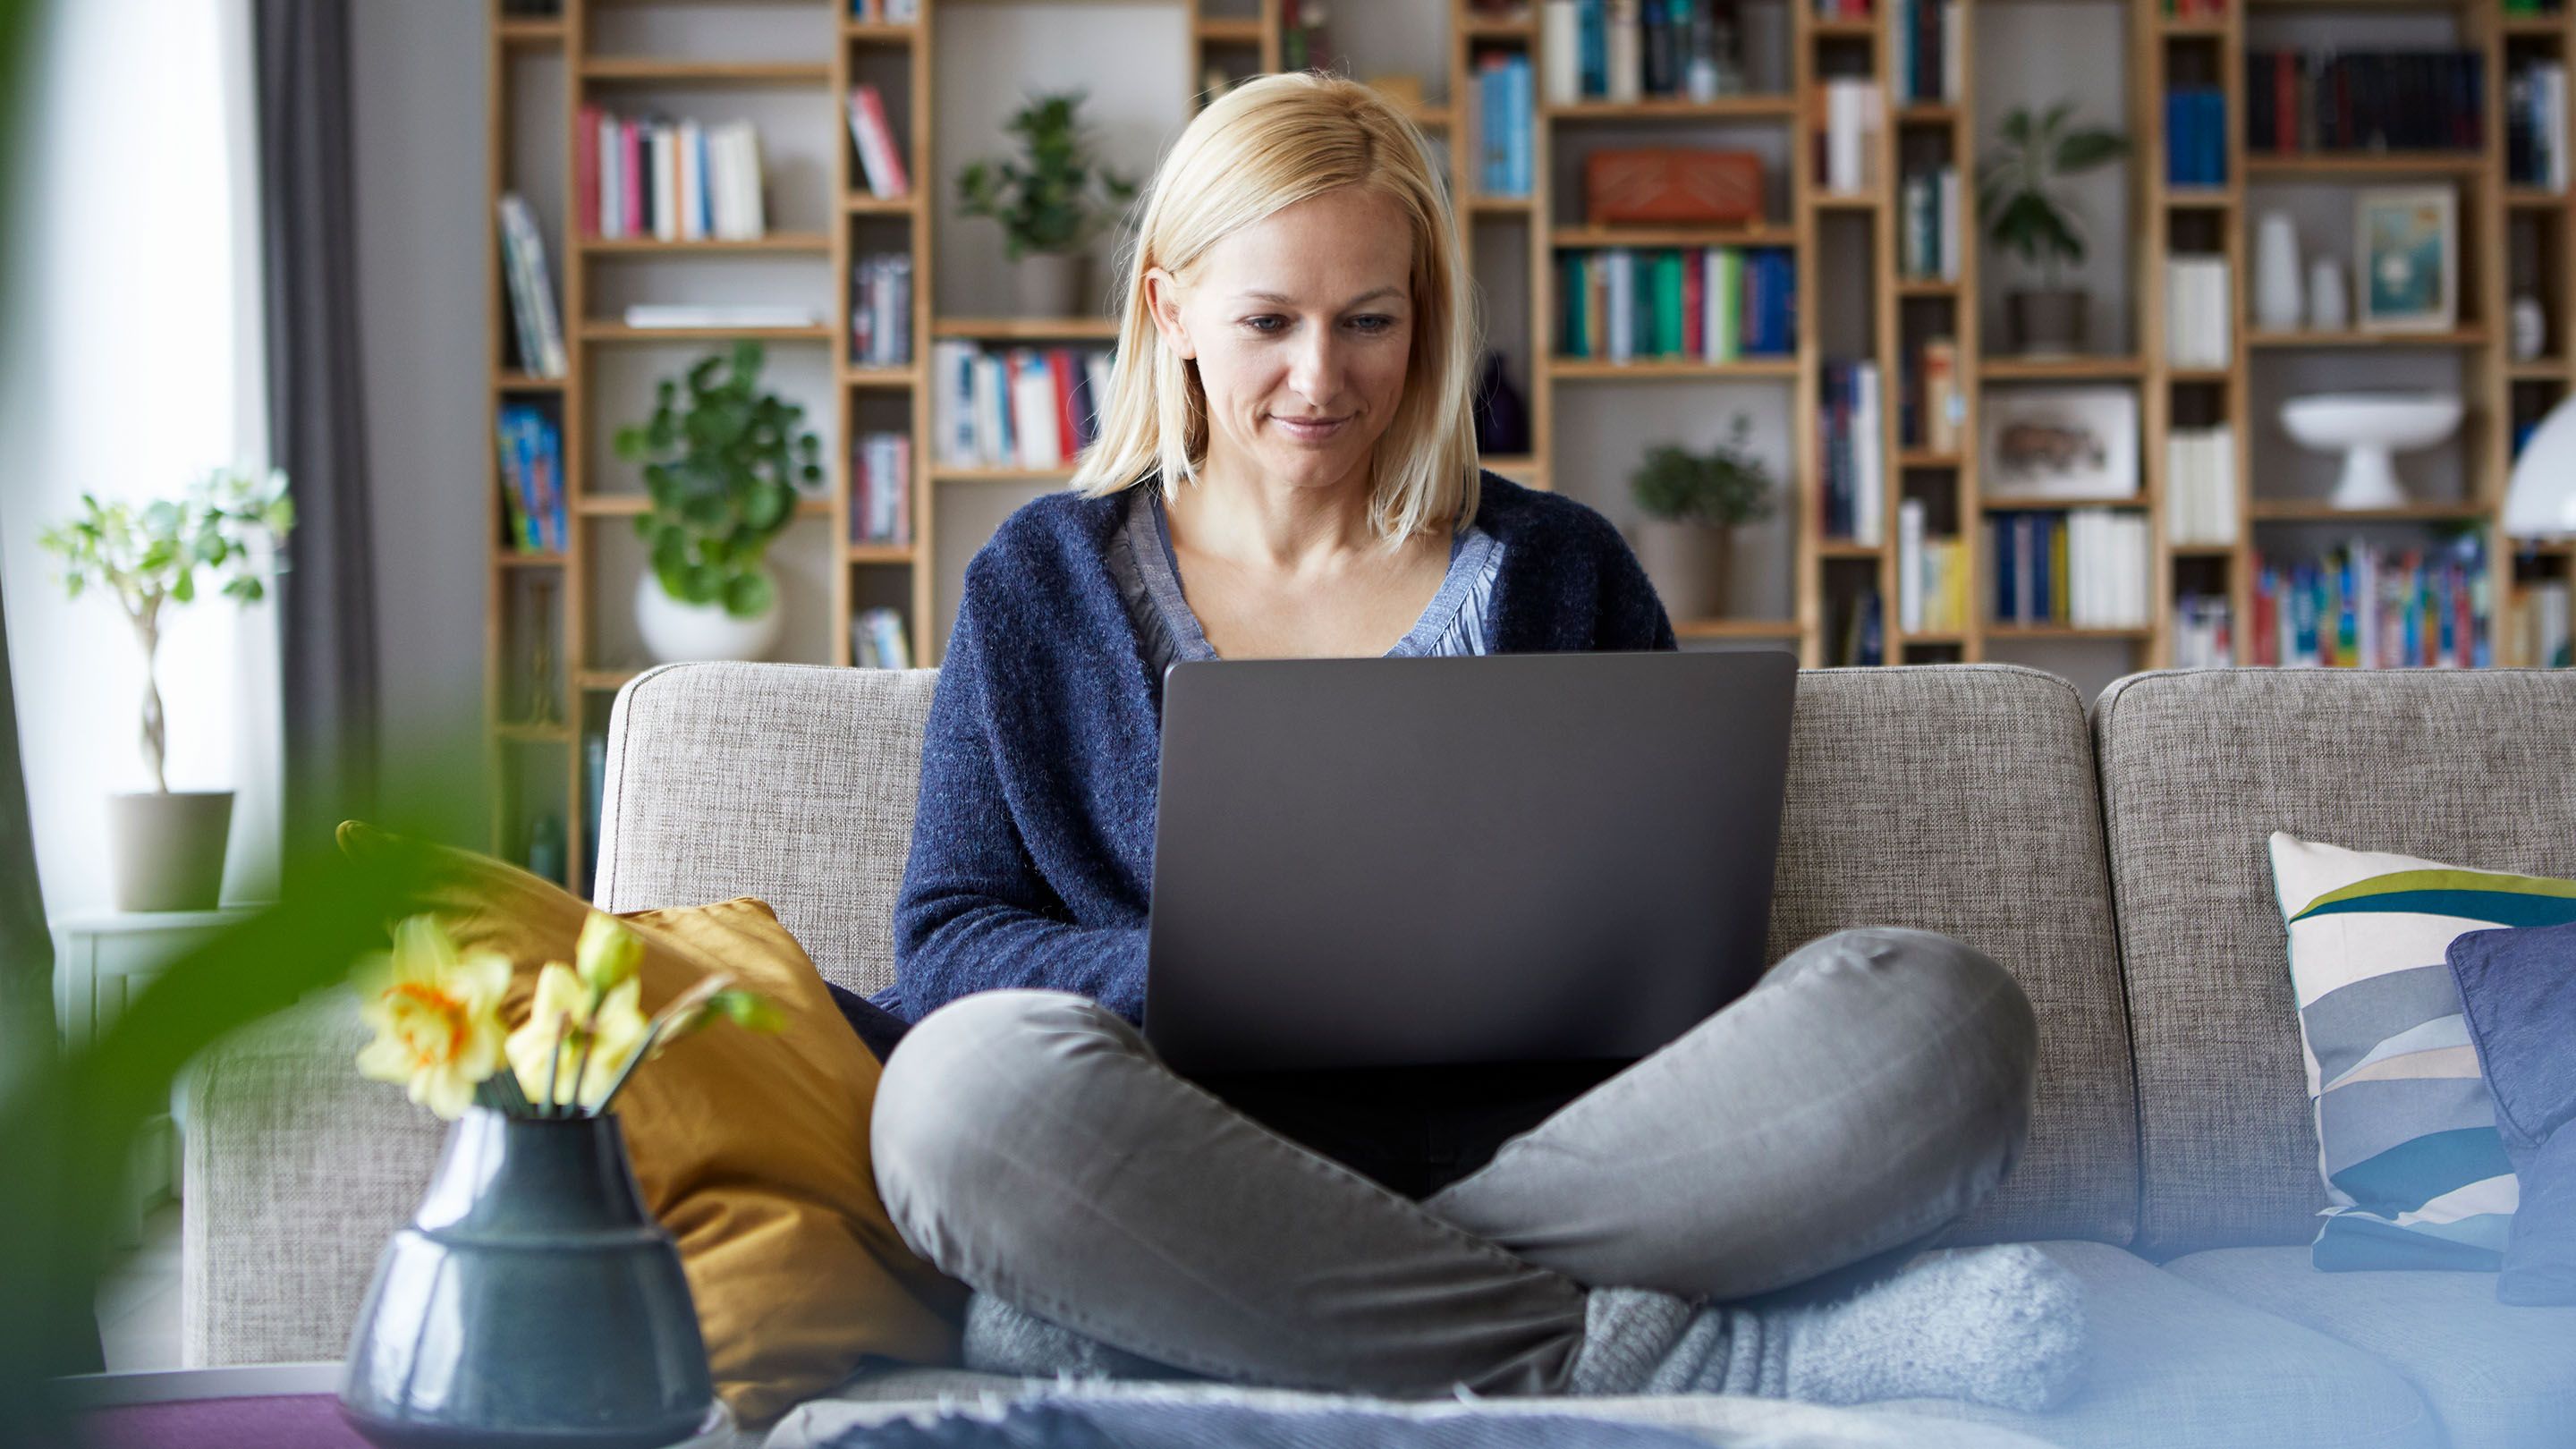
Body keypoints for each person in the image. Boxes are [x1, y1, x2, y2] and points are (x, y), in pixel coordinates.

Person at [865, 72, 2084, 1411]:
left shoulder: (1562, 568)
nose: (1320, 378)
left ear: (1424, 319)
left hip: (1574, 1158)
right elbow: (950, 941)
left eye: (1369, 321)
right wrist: (1227, 974)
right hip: (1189, 1152)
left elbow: (1672, 944)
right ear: (1172, 311)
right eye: (1268, 320)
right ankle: (1679, 1356)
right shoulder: (1041, 583)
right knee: (957, 1104)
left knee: (1946, 1021)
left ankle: (1228, 1308)